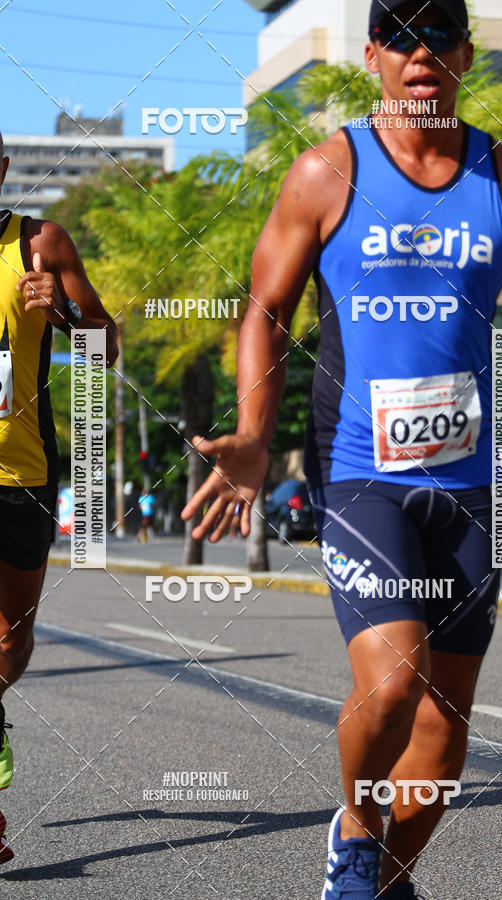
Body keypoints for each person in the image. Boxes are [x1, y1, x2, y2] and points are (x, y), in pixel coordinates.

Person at [181, 1, 502, 896]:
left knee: (446, 730)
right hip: (360, 472)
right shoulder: (328, 172)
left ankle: (377, 880)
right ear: (372, 53)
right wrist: (253, 436)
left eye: (438, 33)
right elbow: (265, 311)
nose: (421, 52)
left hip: (470, 482)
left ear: (465, 55)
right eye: (400, 36)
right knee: (395, 677)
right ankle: (358, 825)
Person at [0, 130, 118, 861]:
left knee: (11, 639)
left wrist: (67, 313)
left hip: (24, 472)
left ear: (3, 168)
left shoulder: (40, 244)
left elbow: (107, 349)